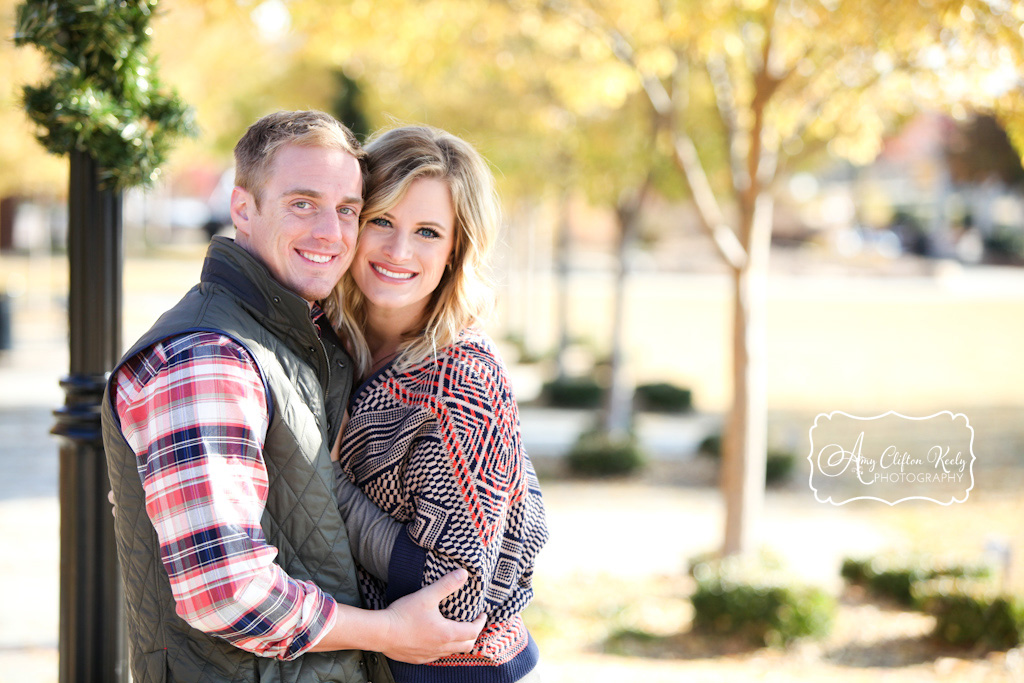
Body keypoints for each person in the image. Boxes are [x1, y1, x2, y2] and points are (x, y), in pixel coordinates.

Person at [100, 110, 485, 683]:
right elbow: (225, 591)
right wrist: (389, 633)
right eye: (302, 203)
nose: (331, 232)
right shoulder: (209, 358)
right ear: (242, 209)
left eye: (348, 210)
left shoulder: (303, 339)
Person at [325, 125, 549, 683]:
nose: (399, 251)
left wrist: (314, 478)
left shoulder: (463, 381)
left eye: (428, 232)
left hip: (450, 673)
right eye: (382, 221)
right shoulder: (323, 339)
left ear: (456, 249)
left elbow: (451, 584)